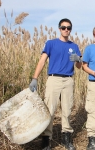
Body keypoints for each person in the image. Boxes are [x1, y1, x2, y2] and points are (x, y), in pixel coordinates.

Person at [29, 18, 82, 150]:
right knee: (49, 110)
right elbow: (42, 61)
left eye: (68, 28)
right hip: (54, 79)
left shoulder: (74, 46)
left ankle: (66, 139)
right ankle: (47, 140)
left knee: (67, 110)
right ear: (59, 28)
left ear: (71, 29)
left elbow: (79, 66)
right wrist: (34, 78)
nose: (66, 30)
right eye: (63, 27)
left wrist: (78, 60)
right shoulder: (51, 43)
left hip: (68, 80)